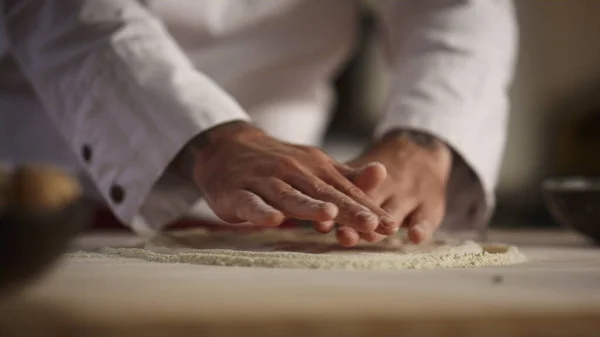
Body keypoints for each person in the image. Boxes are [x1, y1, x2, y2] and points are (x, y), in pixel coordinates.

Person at [0, 0, 517, 247]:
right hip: (58, 207)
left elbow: (455, 8)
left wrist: (426, 135)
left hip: (296, 221)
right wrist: (211, 137)